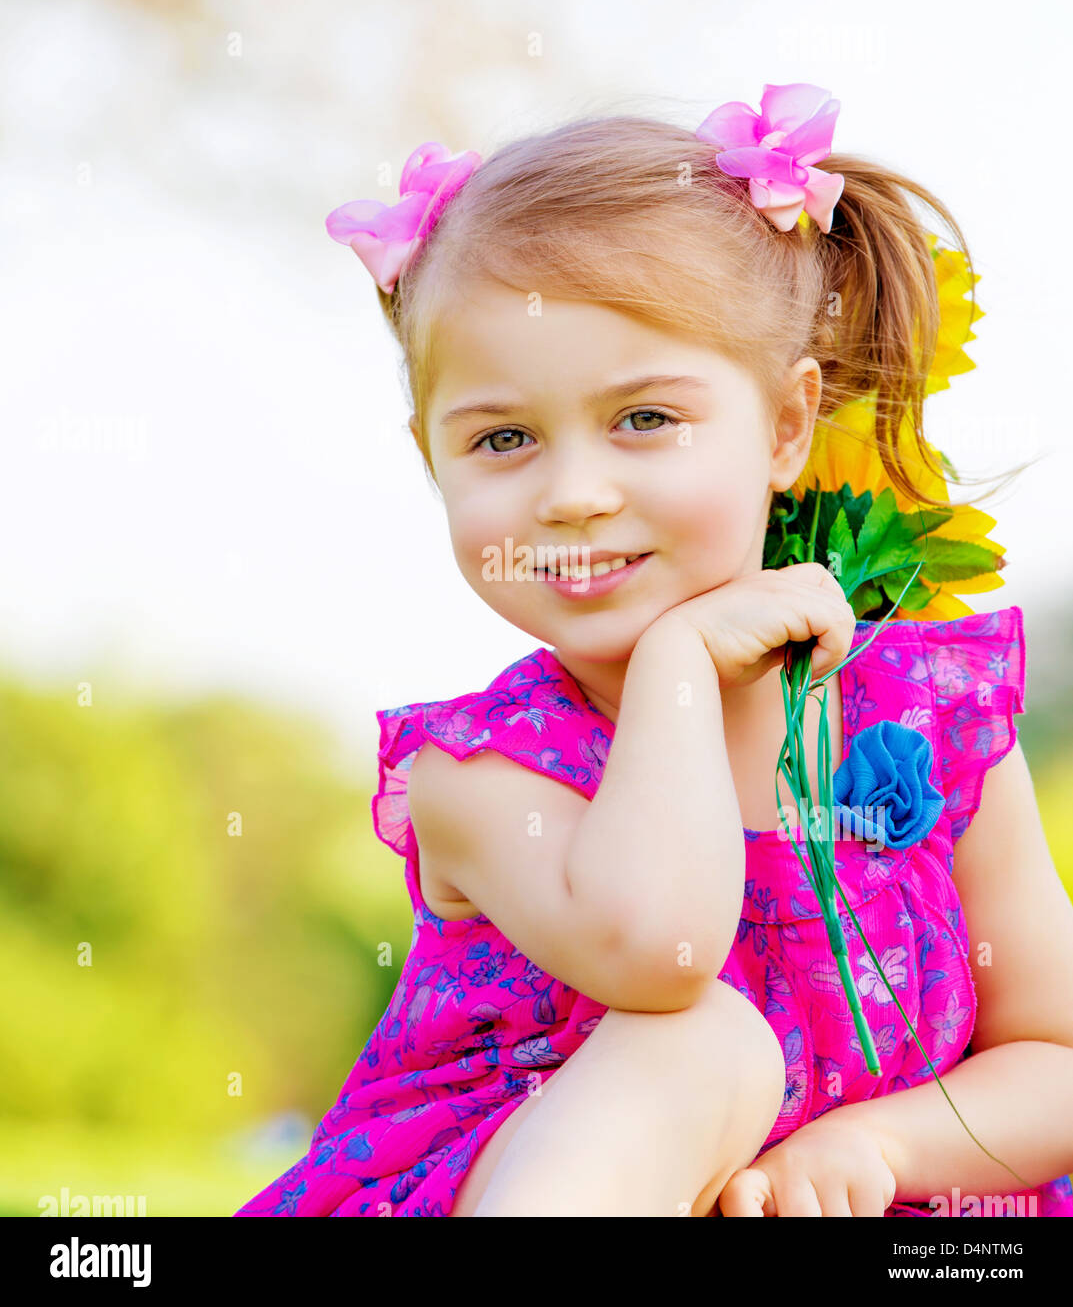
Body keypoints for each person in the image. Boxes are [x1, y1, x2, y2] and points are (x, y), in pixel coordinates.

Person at [234, 85, 1073, 1218]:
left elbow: (1054, 1061)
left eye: (642, 419)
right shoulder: (479, 774)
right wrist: (678, 669)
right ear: (434, 459)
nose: (573, 494)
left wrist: (881, 1146)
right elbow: (660, 948)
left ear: (783, 427)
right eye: (502, 438)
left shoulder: (927, 723)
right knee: (703, 1044)